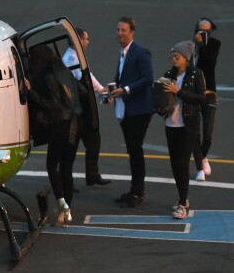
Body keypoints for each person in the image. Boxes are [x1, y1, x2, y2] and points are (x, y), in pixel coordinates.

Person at [25, 45, 83, 227]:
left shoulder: (47, 76)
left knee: (52, 165)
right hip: (76, 124)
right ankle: (67, 211)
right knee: (67, 168)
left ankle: (62, 203)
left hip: (60, 126)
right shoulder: (64, 72)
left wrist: (31, 92)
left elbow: (52, 104)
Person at [111, 16, 154, 207]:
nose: (120, 33)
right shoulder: (123, 52)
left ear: (132, 32)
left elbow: (148, 79)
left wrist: (126, 89)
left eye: (123, 30)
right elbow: (121, 78)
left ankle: (138, 192)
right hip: (127, 109)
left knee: (135, 150)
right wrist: (111, 91)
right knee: (132, 150)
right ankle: (134, 190)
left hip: (139, 110)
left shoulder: (141, 52)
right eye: (118, 30)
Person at [62, 27, 111, 186]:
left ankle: (91, 175)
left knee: (89, 142)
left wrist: (100, 91)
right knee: (76, 145)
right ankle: (69, 180)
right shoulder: (72, 59)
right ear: (78, 40)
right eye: (86, 39)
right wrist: (101, 91)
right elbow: (85, 78)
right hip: (77, 111)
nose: (88, 42)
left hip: (80, 109)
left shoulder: (75, 56)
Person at [162, 41, 205, 219]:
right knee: (174, 163)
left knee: (182, 163)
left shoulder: (196, 74)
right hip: (171, 124)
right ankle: (182, 198)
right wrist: (161, 106)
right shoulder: (168, 74)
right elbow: (163, 99)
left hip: (188, 125)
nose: (173, 59)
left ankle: (182, 202)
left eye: (177, 56)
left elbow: (201, 98)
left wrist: (178, 92)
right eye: (172, 56)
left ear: (186, 58)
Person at [192, 17, 221, 181]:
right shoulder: (189, 47)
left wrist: (202, 44)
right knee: (194, 133)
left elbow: (208, 63)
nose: (201, 34)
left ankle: (203, 157)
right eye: (199, 30)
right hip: (193, 94)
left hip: (209, 93)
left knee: (208, 133)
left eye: (205, 31)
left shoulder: (214, 44)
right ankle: (199, 167)